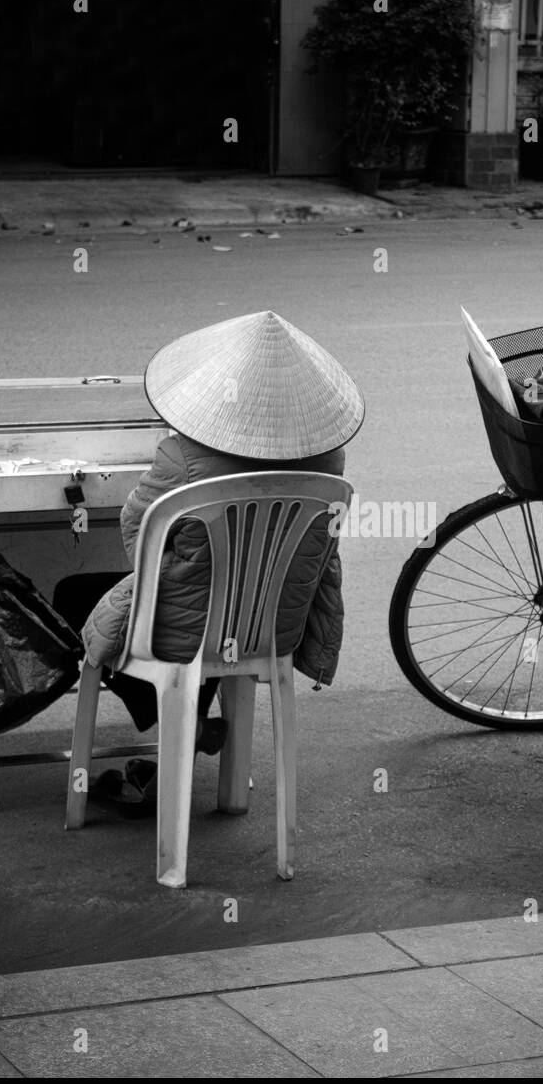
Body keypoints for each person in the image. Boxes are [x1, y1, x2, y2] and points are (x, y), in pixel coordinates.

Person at [58, 310, 364, 804]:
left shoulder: (182, 456)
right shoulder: (329, 464)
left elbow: (141, 543)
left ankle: (179, 721)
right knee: (204, 611)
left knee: (74, 594)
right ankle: (193, 725)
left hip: (187, 632)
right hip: (273, 630)